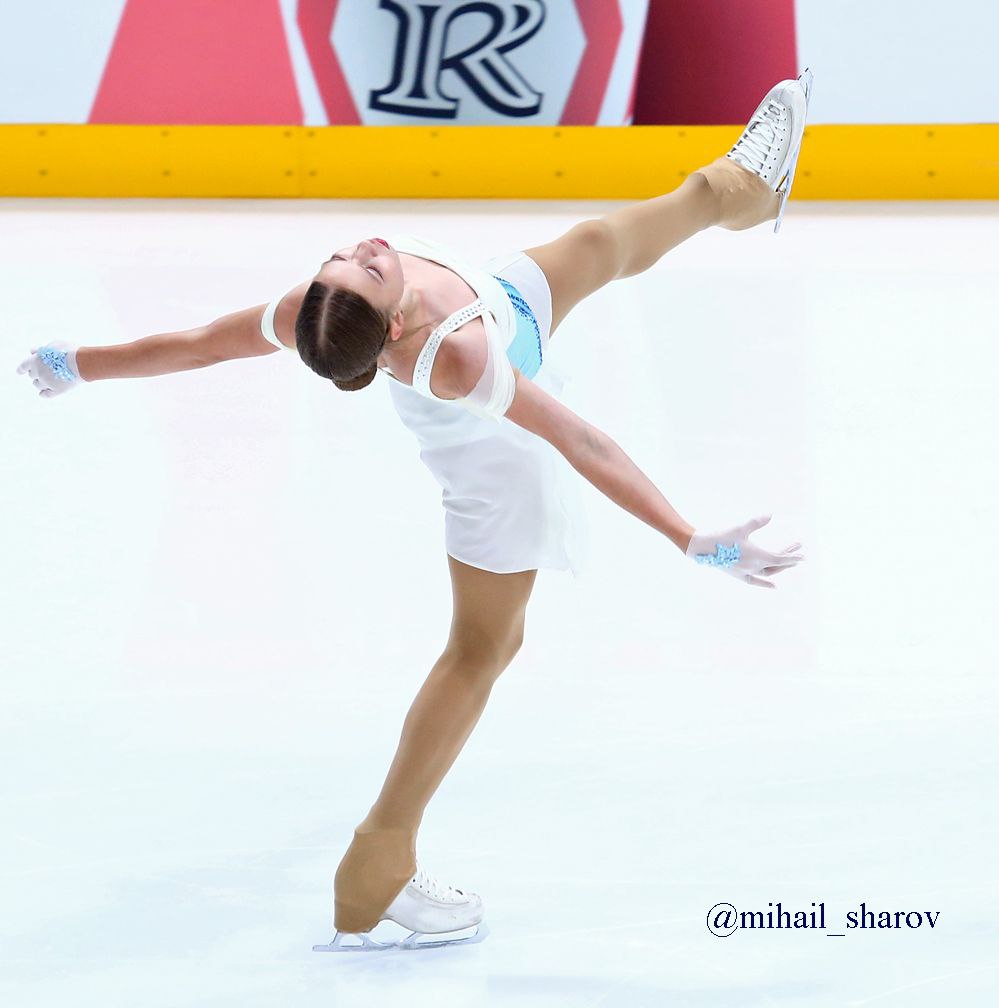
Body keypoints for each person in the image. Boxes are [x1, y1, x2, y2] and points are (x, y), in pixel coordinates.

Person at [17, 72, 812, 951]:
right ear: (394, 326)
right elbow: (578, 442)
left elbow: (199, 344)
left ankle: (739, 189)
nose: (361, 248)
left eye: (344, 258)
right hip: (497, 465)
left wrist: (78, 361)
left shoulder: (319, 310)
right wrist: (689, 538)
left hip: (504, 301)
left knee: (599, 241)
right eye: (362, 268)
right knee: (481, 651)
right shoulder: (454, 358)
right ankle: (379, 863)